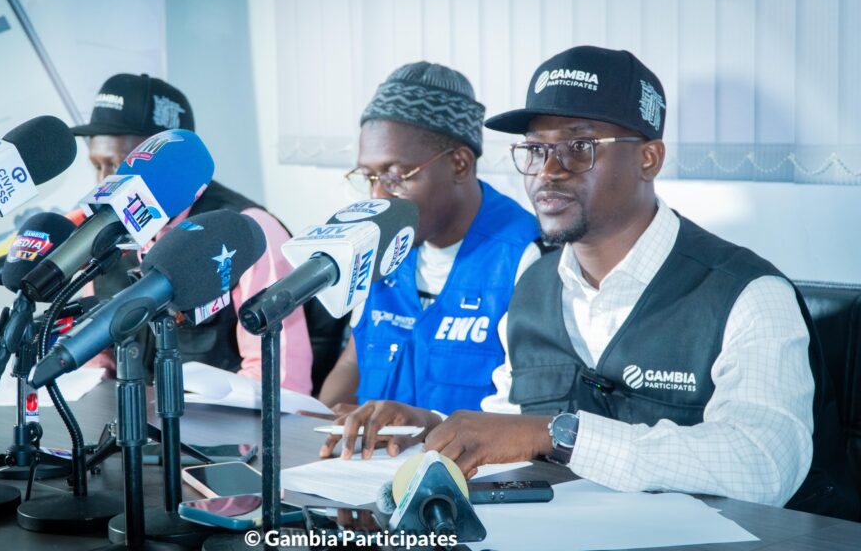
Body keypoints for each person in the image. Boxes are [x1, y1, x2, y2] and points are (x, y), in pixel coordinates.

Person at [322, 46, 859, 520]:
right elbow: (511, 428)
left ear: (648, 158)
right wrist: (435, 427)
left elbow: (763, 466)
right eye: (535, 150)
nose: (548, 171)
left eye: (579, 148)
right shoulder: (533, 288)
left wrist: (558, 433)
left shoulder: (748, 295)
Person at [68, 73, 316, 393]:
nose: (105, 183)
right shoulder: (104, 232)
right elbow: (96, 359)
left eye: (118, 166)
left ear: (170, 161)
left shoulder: (247, 229)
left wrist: (177, 411)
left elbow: (281, 381)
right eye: (98, 166)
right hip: (126, 419)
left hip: (215, 423)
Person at [318, 62, 539, 415]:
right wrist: (313, 425)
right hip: (366, 452)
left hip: (464, 453)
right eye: (369, 176)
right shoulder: (380, 244)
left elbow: (527, 413)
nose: (378, 197)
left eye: (396, 176)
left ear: (459, 164)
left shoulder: (525, 256)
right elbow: (353, 362)